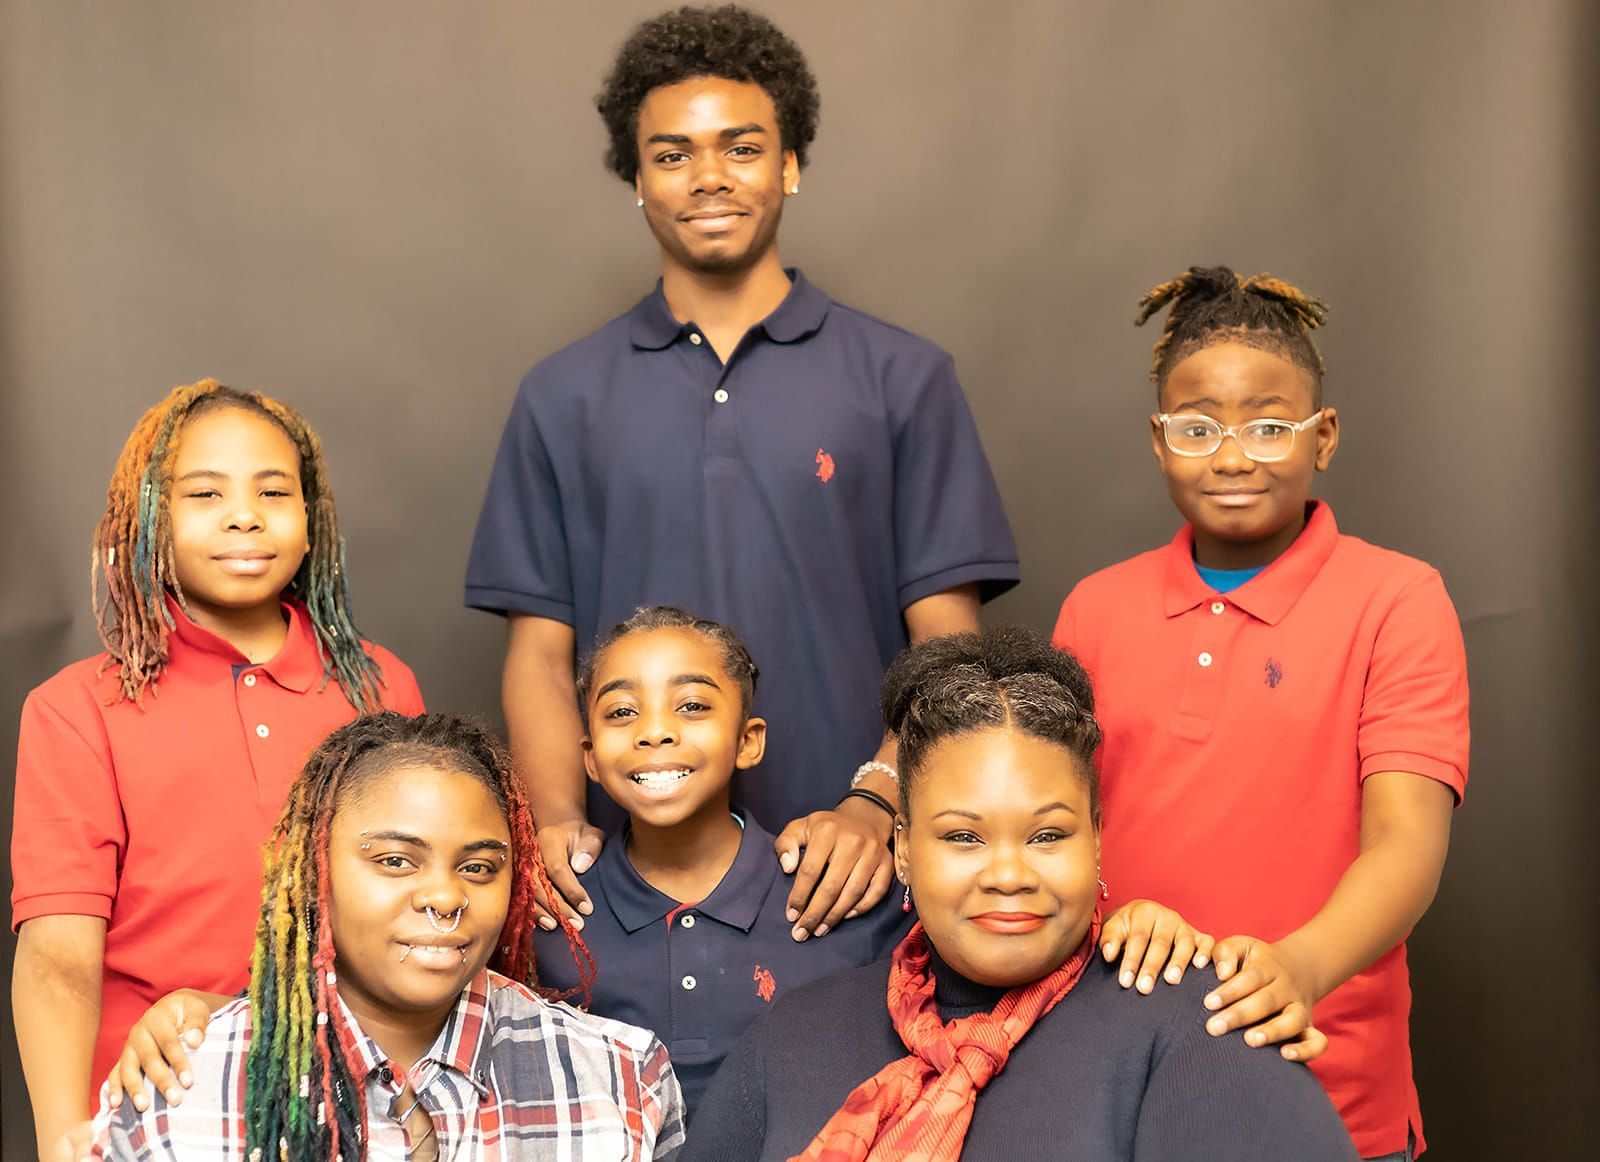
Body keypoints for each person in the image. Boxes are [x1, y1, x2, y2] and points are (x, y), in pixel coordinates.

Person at [464, 4, 1018, 947]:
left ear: (791, 163)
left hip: (844, 883)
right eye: (672, 154)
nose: (709, 177)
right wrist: (557, 822)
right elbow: (540, 658)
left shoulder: (901, 378)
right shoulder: (562, 396)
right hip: (630, 902)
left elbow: (949, 648)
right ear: (636, 179)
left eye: (743, 147)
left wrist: (877, 805)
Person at [1052, 267, 1469, 1160]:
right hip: (1120, 1080)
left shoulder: (1397, 599)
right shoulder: (1094, 609)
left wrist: (1301, 968)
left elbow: (1408, 839)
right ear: (1159, 442)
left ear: (1324, 438)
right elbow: (1057, 830)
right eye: (1198, 428)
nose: (1233, 457)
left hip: (1327, 1090)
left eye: (1269, 426)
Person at [685, 628, 1357, 1161]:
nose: (1009, 874)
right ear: (902, 849)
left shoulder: (1202, 1023)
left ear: (1096, 839)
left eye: (1046, 835)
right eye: (963, 839)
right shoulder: (795, 1036)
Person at [11, 380, 425, 1158]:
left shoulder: (381, 688)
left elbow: (409, 919)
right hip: (156, 1111)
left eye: (274, 490)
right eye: (204, 493)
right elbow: (59, 955)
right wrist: (65, 1136)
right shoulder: (77, 709)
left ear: (312, 524)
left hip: (346, 1105)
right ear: (146, 524)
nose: (244, 514)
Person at [89, 711, 684, 1160]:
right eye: (396, 861)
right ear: (311, 870)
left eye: (478, 868)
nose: (446, 898)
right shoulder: (180, 1091)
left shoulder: (622, 1077)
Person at [533, 607, 914, 1115]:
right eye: (623, 711)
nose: (655, 731)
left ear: (747, 741)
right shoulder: (552, 918)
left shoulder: (841, 891)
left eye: (690, 705)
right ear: (590, 758)